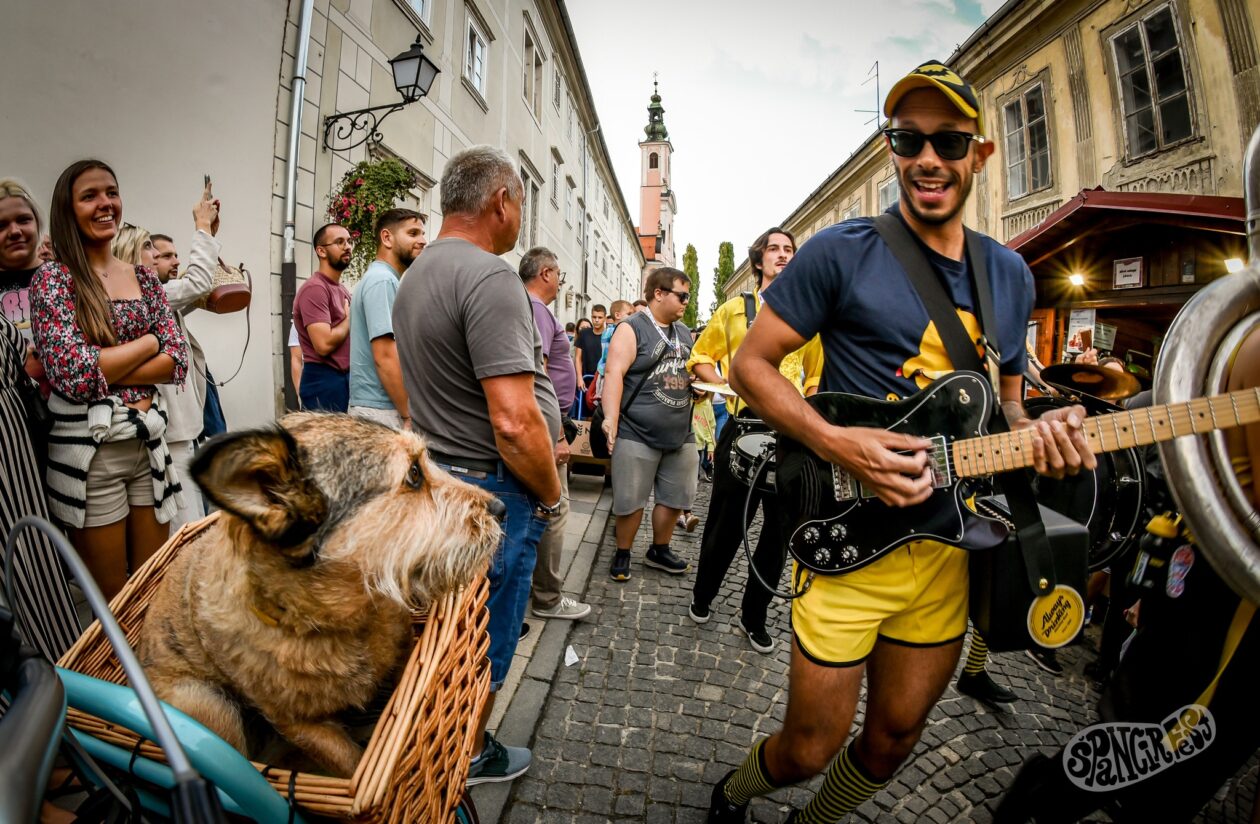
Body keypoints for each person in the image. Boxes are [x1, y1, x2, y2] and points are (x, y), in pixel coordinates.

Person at [708, 62, 1093, 823]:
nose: (927, 157)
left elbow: (1007, 413)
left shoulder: (1010, 275)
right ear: (892, 150)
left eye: (948, 141)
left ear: (978, 154)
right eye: (908, 139)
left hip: (952, 550)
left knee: (891, 741)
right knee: (808, 748)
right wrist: (837, 442)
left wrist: (1042, 430)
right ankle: (733, 792)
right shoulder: (840, 251)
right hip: (850, 541)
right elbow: (749, 366)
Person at [392, 145, 562, 786]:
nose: (521, 215)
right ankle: (464, 756)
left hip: (442, 475)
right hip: (490, 486)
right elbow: (515, 422)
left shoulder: (417, 273)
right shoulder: (490, 277)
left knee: (447, 625)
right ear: (501, 202)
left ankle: (433, 738)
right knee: (486, 636)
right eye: (521, 200)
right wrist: (548, 495)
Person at [31, 159, 188, 600]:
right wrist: (150, 342)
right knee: (113, 602)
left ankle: (151, 669)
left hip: (148, 444)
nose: (105, 204)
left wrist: (106, 360)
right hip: (90, 454)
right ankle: (115, 672)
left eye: (111, 192)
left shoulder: (142, 276)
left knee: (153, 589)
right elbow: (73, 374)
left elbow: (178, 362)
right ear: (68, 208)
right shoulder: (54, 279)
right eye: (90, 196)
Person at [687, 227, 823, 655]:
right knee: (726, 526)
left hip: (792, 439)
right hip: (744, 428)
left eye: (789, 250)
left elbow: (816, 378)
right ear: (758, 261)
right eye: (775, 249)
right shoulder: (734, 310)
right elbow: (701, 357)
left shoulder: (811, 320)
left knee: (779, 534)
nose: (783, 256)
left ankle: (754, 614)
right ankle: (703, 596)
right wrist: (727, 382)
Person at [0, 178, 81, 660]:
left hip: (68, 431)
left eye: (22, 220)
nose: (14, 231)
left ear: (39, 224)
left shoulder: (62, 280)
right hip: (18, 440)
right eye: (2, 224)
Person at [121, 185, 221, 529]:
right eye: (147, 246)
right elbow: (196, 284)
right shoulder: (148, 296)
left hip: (183, 431)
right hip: (172, 434)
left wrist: (210, 235)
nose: (156, 253)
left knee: (191, 517)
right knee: (186, 525)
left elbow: (200, 286)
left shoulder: (157, 295)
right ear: (130, 255)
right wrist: (202, 227)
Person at [601, 267, 698, 582]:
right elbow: (614, 373)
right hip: (636, 431)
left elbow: (691, 372)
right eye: (681, 295)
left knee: (675, 497)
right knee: (631, 499)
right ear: (659, 293)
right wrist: (611, 419)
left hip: (680, 433)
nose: (686, 301)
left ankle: (659, 548)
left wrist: (697, 385)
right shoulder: (632, 328)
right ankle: (623, 552)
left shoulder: (684, 333)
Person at [519, 245, 590, 622]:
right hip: (547, 427)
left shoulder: (532, 310)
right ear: (545, 274)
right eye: (559, 275)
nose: (560, 283)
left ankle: (537, 588)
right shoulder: (538, 311)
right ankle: (547, 596)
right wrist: (558, 437)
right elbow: (538, 376)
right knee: (554, 508)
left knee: (544, 507)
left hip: (548, 423)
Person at [348, 208, 425, 429]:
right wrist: (407, 414)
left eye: (422, 234)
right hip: (381, 411)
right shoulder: (382, 281)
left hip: (378, 409)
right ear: (387, 238)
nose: (422, 241)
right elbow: (384, 356)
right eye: (413, 233)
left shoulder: (382, 279)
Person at [293, 223, 353, 412]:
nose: (348, 246)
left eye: (349, 241)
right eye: (339, 242)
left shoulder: (341, 289)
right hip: (323, 381)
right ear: (321, 251)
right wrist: (350, 319)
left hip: (344, 379)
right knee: (323, 442)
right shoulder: (315, 289)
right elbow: (323, 344)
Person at [574, 303, 605, 401]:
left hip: (602, 379)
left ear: (604, 318)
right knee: (585, 412)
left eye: (600, 317)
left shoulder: (609, 334)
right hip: (586, 377)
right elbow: (578, 357)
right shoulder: (584, 333)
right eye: (594, 317)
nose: (596, 320)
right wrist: (579, 377)